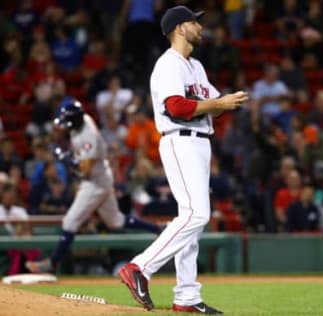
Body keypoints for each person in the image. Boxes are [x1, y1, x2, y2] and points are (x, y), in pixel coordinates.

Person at [117, 5, 248, 314]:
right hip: (179, 140)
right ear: (178, 28)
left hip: (200, 142)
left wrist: (219, 103)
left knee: (190, 220)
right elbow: (175, 106)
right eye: (193, 22)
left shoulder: (196, 66)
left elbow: (215, 106)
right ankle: (139, 267)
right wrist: (216, 103)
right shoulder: (168, 65)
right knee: (198, 215)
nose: (199, 27)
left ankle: (186, 296)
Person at [25, 97, 163, 274]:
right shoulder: (83, 120)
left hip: (95, 182)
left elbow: (85, 171)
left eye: (66, 121)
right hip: (101, 175)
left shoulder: (87, 136)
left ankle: (52, 263)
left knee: (70, 221)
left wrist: (65, 159)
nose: (64, 125)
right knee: (116, 221)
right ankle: (158, 229)